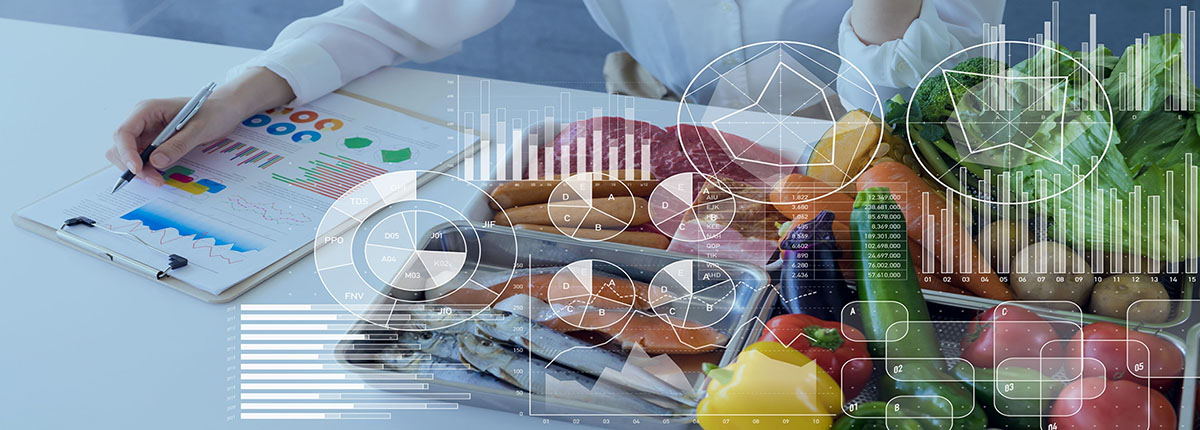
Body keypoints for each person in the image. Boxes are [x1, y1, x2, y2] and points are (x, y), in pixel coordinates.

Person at [107, 0, 1003, 185]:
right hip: (665, 126)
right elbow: (408, 13)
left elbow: (910, 102)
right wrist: (242, 88)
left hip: (896, 150)